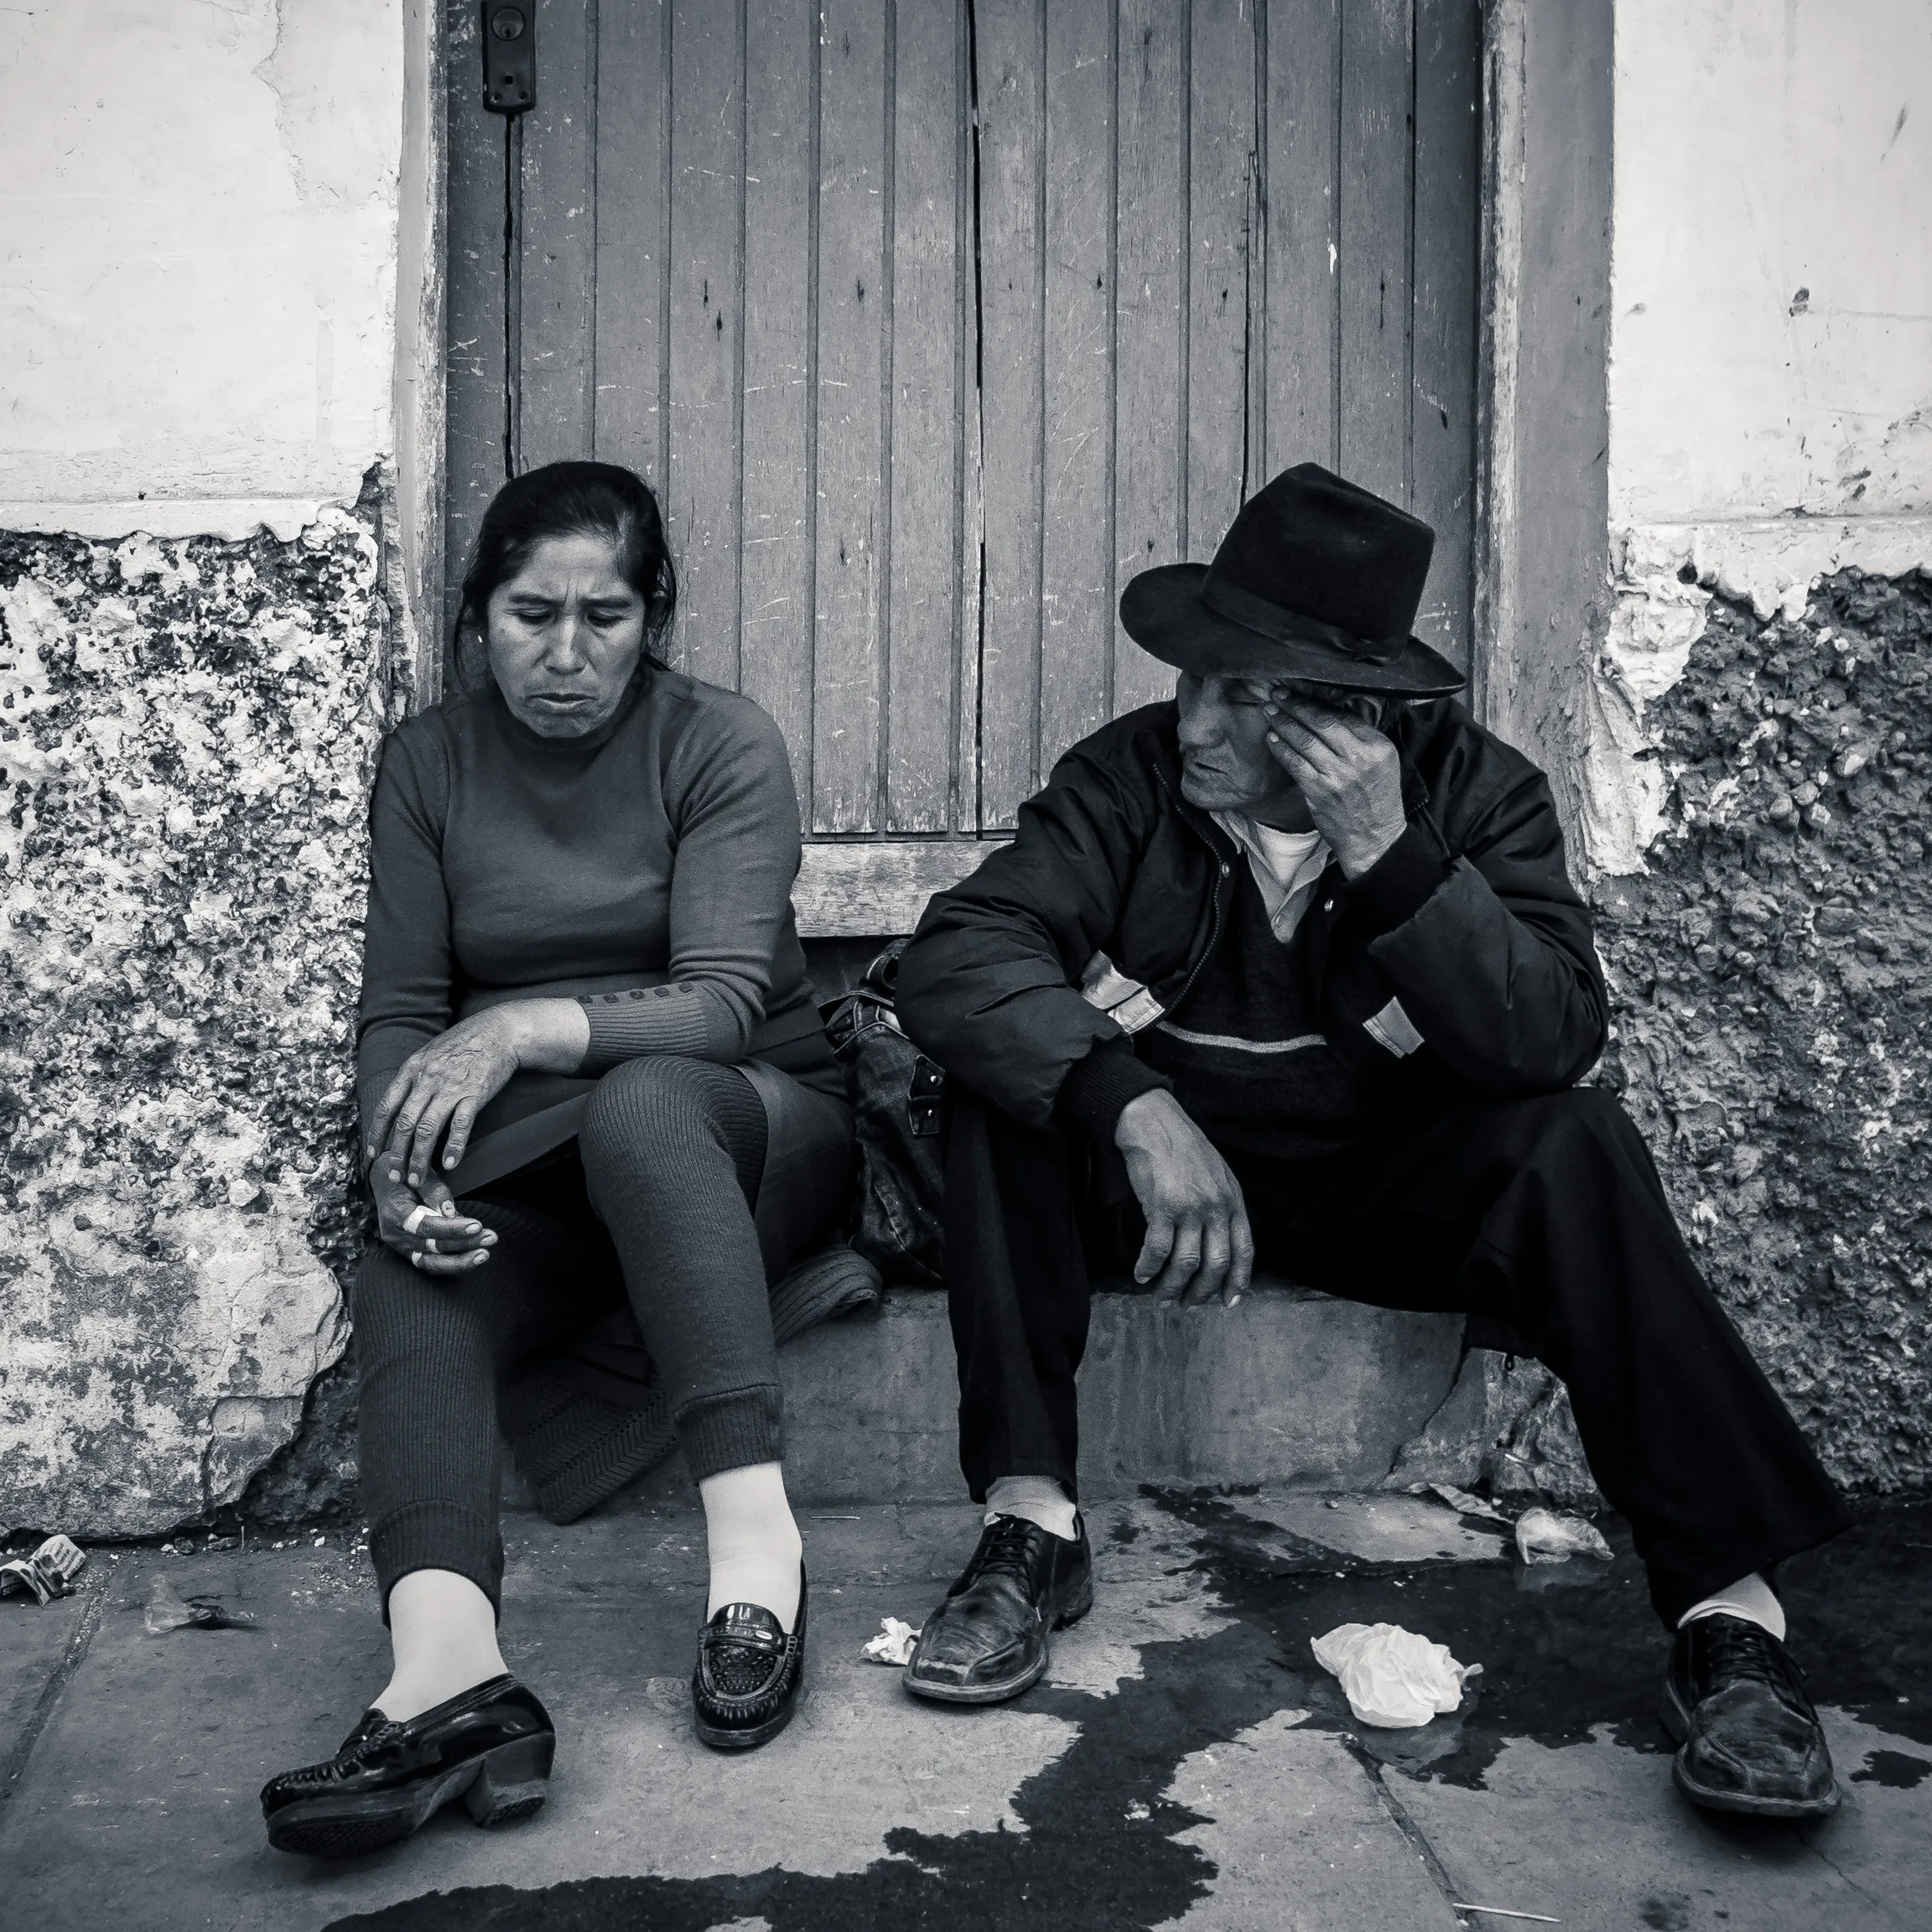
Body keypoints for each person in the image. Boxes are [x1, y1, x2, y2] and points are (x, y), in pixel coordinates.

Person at [892, 463, 1852, 1820]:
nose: (1192, 716)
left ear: (1346, 717)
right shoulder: (1123, 785)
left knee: (1574, 1142)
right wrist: (1131, 1103)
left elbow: (1547, 1039)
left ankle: (1731, 1622)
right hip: (1166, 1191)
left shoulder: (1474, 797)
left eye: (1239, 690)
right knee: (1011, 1093)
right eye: (1194, 676)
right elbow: (960, 957)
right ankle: (1030, 1529)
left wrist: (1391, 856)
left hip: (1376, 1188)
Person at [262, 461, 854, 1858]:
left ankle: (757, 1565)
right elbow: (405, 1014)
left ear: (657, 620)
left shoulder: (719, 744)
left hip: (754, 1127)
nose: (568, 655)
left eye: (607, 616)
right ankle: (448, 1673)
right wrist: (400, 1171)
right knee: (410, 1275)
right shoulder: (430, 763)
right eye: (533, 615)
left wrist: (525, 1022)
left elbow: (716, 1001)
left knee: (651, 1099)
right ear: (477, 619)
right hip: (550, 1163)